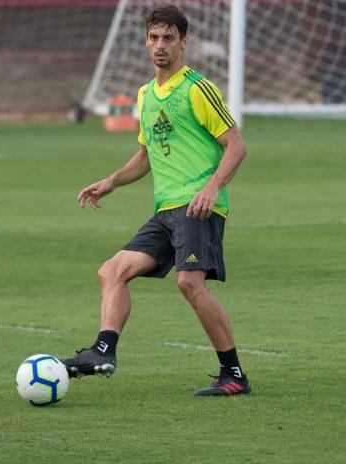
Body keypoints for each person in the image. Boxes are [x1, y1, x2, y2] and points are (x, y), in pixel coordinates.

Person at [61, 4, 250, 397]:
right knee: (111, 271)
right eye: (153, 38)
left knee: (189, 283)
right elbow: (147, 155)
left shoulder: (198, 88)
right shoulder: (145, 95)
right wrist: (111, 181)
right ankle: (102, 352)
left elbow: (236, 146)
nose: (160, 45)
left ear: (184, 41)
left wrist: (212, 188)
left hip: (197, 206)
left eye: (168, 38)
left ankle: (233, 374)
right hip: (166, 211)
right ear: (146, 42)